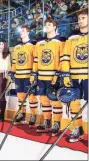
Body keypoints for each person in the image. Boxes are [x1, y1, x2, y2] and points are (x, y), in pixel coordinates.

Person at [30, 18, 66, 136]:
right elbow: (36, 59)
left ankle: (57, 123)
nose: (47, 27)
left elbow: (63, 58)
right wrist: (34, 73)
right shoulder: (40, 42)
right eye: (46, 25)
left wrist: (59, 73)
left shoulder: (61, 41)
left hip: (54, 77)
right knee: (44, 100)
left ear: (55, 27)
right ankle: (47, 121)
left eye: (50, 25)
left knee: (55, 101)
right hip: (41, 77)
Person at [60, 8, 88, 142]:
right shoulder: (71, 37)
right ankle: (78, 128)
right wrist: (65, 73)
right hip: (75, 76)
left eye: (83, 18)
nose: (80, 21)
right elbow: (65, 57)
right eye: (79, 18)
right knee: (74, 104)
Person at [11, 25, 38, 128]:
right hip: (18, 75)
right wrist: (12, 72)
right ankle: (22, 114)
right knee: (20, 96)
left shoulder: (33, 44)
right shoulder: (17, 46)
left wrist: (34, 73)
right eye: (20, 31)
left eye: (23, 31)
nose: (21, 32)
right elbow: (14, 61)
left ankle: (33, 115)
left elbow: (36, 60)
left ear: (28, 32)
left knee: (31, 97)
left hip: (28, 75)